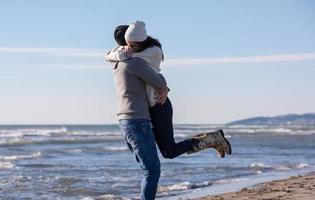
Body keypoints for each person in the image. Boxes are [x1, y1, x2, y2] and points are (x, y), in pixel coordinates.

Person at [106, 21, 232, 200]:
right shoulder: (126, 59)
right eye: (126, 45)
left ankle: (212, 139)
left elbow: (158, 79)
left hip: (157, 106)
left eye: (132, 45)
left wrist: (164, 88)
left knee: (158, 163)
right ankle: (211, 139)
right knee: (165, 156)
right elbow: (110, 55)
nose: (129, 47)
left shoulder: (146, 54)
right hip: (142, 114)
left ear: (140, 42)